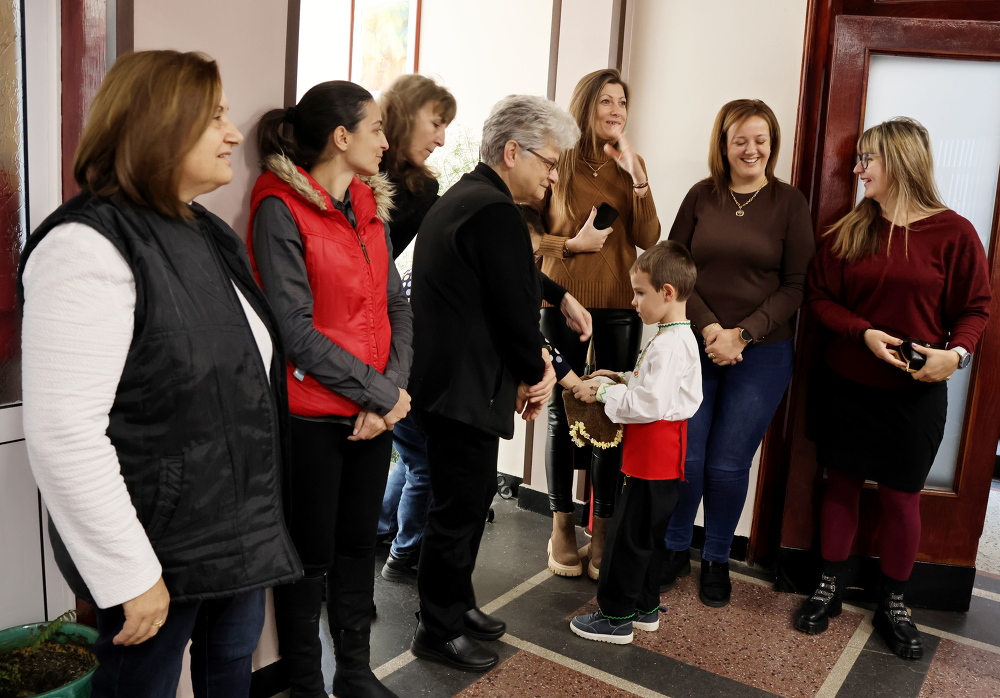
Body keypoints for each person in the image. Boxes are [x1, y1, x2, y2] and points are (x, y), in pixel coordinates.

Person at [19, 50, 301, 697]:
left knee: (229, 678)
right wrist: (129, 573)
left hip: (234, 535)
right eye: (216, 117)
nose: (234, 134)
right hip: (154, 554)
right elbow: (65, 435)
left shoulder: (204, 231)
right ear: (160, 125)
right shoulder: (86, 246)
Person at [794, 117, 990, 659]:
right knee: (841, 485)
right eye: (858, 159)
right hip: (847, 385)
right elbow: (818, 297)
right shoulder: (850, 229)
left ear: (901, 161)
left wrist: (956, 355)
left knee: (903, 498)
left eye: (867, 159)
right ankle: (829, 586)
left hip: (915, 393)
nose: (858, 170)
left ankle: (895, 602)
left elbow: (976, 309)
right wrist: (863, 332)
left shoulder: (955, 233)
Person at [248, 81, 412, 698]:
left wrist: (388, 394)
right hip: (312, 415)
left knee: (356, 548)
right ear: (341, 137)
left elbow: (398, 307)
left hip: (372, 412)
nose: (386, 141)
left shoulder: (367, 203)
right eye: (377, 128)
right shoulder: (280, 208)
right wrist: (379, 395)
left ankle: (354, 673)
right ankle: (304, 685)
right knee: (309, 557)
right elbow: (293, 330)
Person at [408, 95, 579, 673]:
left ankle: (456, 605)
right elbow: (513, 310)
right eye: (548, 162)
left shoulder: (469, 197)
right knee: (457, 512)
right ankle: (437, 630)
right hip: (462, 389)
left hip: (449, 385)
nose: (552, 176)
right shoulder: (495, 212)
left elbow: (511, 278)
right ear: (512, 152)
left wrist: (558, 295)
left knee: (469, 499)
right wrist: (538, 374)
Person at [662, 99, 814, 607]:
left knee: (728, 465)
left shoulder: (789, 202)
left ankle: (717, 558)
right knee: (688, 456)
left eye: (761, 140)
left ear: (772, 144)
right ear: (723, 145)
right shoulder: (701, 196)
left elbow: (796, 285)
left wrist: (742, 334)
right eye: (740, 140)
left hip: (764, 353)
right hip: (695, 345)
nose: (751, 149)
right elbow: (675, 268)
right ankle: (674, 547)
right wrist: (710, 328)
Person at [536, 68, 661, 580]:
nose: (615, 110)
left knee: (614, 410)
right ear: (586, 105)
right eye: (606, 101)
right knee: (561, 410)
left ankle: (603, 528)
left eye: (622, 102)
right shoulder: (557, 159)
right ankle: (561, 525)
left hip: (619, 304)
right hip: (559, 299)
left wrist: (638, 178)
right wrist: (570, 245)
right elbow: (527, 238)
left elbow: (649, 237)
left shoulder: (631, 164)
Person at [569, 241, 702, 644]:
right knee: (647, 536)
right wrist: (621, 377)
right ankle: (644, 607)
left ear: (667, 292)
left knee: (627, 538)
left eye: (640, 293)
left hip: (651, 458)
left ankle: (615, 618)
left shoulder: (670, 344)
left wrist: (603, 392)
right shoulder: (674, 337)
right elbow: (653, 387)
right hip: (660, 456)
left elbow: (649, 404)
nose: (633, 302)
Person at [374, 74, 457, 584]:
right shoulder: (358, 173)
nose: (442, 139)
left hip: (388, 323)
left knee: (405, 451)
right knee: (413, 455)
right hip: (353, 331)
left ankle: (382, 535)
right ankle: (397, 549)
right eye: (436, 123)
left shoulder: (423, 190)